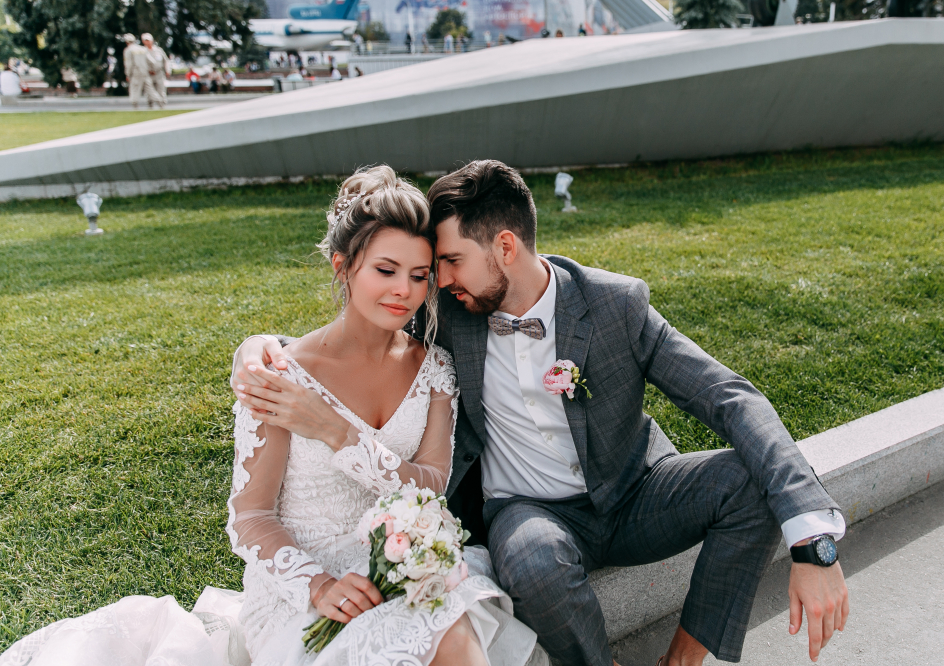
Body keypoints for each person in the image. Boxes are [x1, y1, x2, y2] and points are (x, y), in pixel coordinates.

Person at [232, 160, 851, 666]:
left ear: (504, 246)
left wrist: (812, 543)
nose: (433, 283)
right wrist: (259, 347)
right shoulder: (450, 318)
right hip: (529, 513)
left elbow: (728, 396)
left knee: (748, 481)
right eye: (430, 269)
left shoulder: (614, 304)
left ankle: (684, 661)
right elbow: (358, 325)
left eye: (447, 263)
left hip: (632, 493)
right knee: (531, 558)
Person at [0, 166, 547, 666]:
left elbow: (431, 485)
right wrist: (319, 586)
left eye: (420, 274)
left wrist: (334, 430)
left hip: (402, 564)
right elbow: (251, 517)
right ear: (342, 266)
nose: (404, 290)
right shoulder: (279, 374)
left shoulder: (434, 368)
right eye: (386, 270)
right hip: (301, 588)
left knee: (450, 629)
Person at [141, 33, 168, 108]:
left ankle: (162, 105)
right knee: (149, 92)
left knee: (161, 90)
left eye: (148, 40)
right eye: (146, 40)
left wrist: (167, 70)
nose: (148, 42)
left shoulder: (158, 50)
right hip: (148, 74)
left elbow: (166, 61)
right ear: (143, 41)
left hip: (159, 73)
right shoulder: (142, 51)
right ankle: (150, 106)